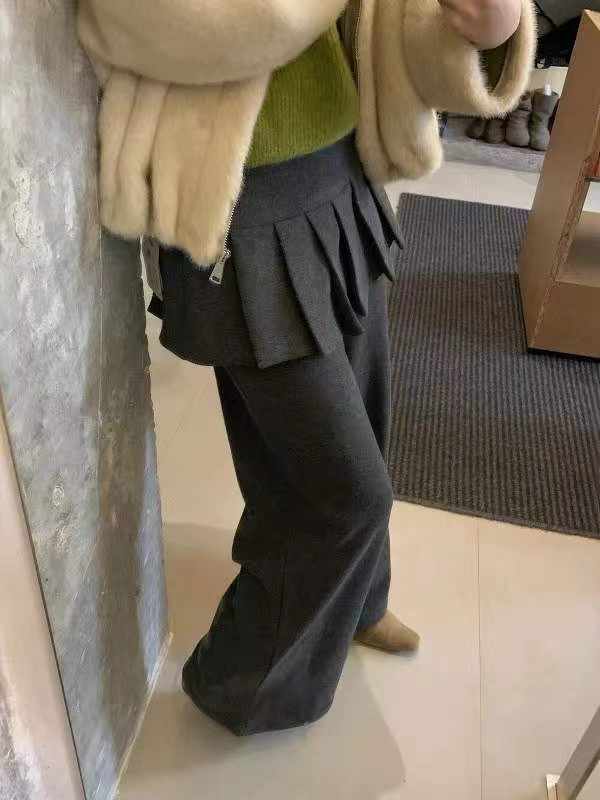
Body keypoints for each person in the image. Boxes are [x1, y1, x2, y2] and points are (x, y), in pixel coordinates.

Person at [77, 0, 535, 736]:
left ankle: (358, 604)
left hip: (341, 173)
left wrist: (484, 31)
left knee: (363, 418)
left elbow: (387, 33)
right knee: (343, 490)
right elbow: (139, 25)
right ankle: (237, 684)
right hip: (235, 204)